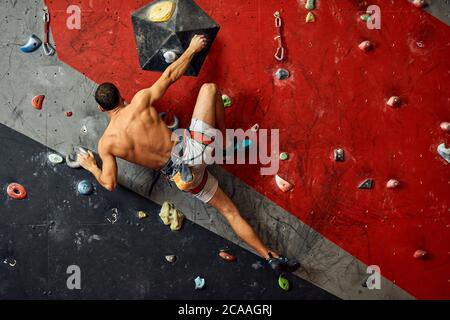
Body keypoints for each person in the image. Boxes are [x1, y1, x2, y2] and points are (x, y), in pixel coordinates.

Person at [78, 35, 299, 272]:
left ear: (101, 108)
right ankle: (223, 144)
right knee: (209, 89)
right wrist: (192, 49)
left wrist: (92, 166)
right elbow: (170, 74)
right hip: (193, 149)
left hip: (183, 179)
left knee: (229, 211)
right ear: (122, 97)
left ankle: (270, 256)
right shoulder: (139, 101)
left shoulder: (106, 144)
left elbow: (109, 184)